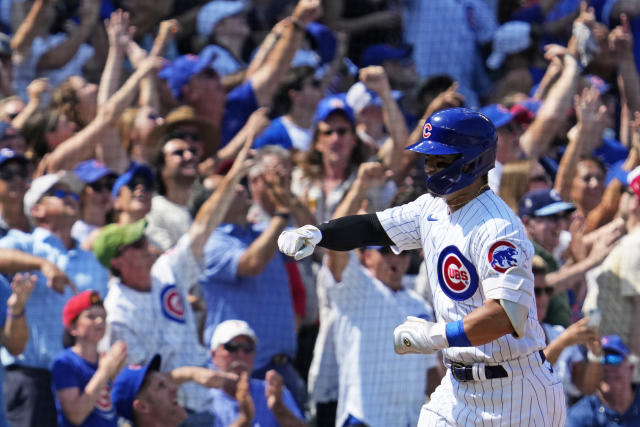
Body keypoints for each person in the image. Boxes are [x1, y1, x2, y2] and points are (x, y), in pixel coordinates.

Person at [278, 107, 566, 425]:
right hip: (458, 388)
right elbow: (374, 227)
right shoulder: (431, 207)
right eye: (427, 158)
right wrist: (319, 233)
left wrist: (436, 335)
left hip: (517, 392)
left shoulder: (498, 228)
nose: (430, 167)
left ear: (474, 160)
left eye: (441, 160)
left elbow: (507, 315)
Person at [51, 290, 128, 427]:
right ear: (73, 327)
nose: (99, 321)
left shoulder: (107, 360)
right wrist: (104, 372)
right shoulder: (65, 362)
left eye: (103, 317)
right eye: (91, 317)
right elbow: (76, 416)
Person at [208, 319, 305, 427]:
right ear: (213, 354)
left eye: (248, 348)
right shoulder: (201, 397)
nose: (241, 355)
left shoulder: (273, 391)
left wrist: (279, 408)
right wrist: (244, 419)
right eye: (231, 347)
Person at [566, 335, 640, 426]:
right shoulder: (579, 416)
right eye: (600, 360)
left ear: (631, 368)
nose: (606, 367)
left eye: (614, 359)